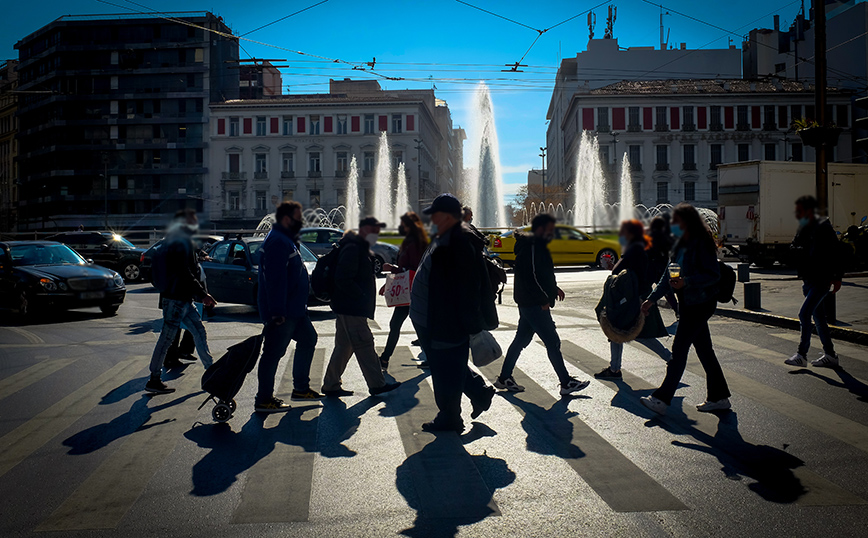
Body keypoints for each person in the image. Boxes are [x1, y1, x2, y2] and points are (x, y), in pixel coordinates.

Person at [410, 193, 496, 433]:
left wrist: (467, 325)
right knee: (448, 364)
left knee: (444, 369)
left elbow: (465, 288)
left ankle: (450, 417)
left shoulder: (457, 242)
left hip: (442, 319)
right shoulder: (447, 236)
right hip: (433, 317)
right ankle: (479, 393)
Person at [639, 203, 731, 415]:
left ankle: (661, 399)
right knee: (705, 351)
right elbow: (668, 275)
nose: (673, 225)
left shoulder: (702, 243)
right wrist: (652, 299)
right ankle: (719, 397)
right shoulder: (680, 244)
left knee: (679, 351)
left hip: (700, 303)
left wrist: (686, 282)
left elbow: (713, 275)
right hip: (688, 303)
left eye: (677, 222)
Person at [492, 213, 590, 396]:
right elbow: (533, 277)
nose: (553, 233)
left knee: (521, 340)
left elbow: (540, 275)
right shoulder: (533, 247)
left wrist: (554, 289)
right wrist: (544, 298)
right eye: (550, 229)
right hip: (534, 304)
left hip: (529, 302)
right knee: (552, 342)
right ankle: (566, 382)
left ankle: (504, 377)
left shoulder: (532, 245)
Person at [321, 216, 401, 397]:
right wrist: (361, 295)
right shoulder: (354, 248)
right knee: (365, 343)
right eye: (375, 231)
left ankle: (331, 384)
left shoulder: (358, 247)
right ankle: (377, 384)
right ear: (365, 230)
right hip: (351, 307)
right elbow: (343, 278)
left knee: (344, 346)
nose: (377, 235)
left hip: (347, 306)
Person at [255, 201, 323, 413]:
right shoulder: (277, 242)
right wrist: (276, 312)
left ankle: (301, 388)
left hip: (296, 310)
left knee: (309, 339)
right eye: (298, 217)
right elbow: (275, 281)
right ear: (286, 219)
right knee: (273, 353)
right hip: (284, 311)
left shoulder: (286, 240)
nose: (301, 221)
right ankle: (264, 399)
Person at [146, 209, 216, 394]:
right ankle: (154, 379)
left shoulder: (180, 240)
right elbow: (185, 272)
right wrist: (203, 294)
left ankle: (211, 371)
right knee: (167, 338)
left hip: (182, 299)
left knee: (199, 331)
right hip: (176, 299)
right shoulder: (179, 242)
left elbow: (188, 267)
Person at [595, 220, 671, 379]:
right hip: (637, 296)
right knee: (618, 330)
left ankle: (670, 358)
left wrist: (612, 267)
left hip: (631, 299)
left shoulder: (635, 249)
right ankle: (615, 368)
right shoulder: (641, 247)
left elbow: (619, 273)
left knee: (623, 330)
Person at [785, 195, 844, 368]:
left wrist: (837, 277)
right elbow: (793, 247)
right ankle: (830, 355)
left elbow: (837, 253)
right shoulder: (803, 227)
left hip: (822, 278)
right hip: (809, 277)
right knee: (818, 318)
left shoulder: (824, 228)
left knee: (804, 314)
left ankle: (802, 355)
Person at [379, 212, 429, 369]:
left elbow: (411, 268)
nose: (401, 227)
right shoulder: (415, 241)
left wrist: (392, 268)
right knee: (413, 324)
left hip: (410, 289)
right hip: (412, 289)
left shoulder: (413, 243)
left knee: (397, 324)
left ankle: (385, 358)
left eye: (403, 225)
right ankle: (385, 358)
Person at [648, 216, 679, 320]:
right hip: (663, 265)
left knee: (646, 289)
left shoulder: (650, 236)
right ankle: (677, 311)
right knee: (667, 291)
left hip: (651, 266)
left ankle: (648, 314)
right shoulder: (666, 236)